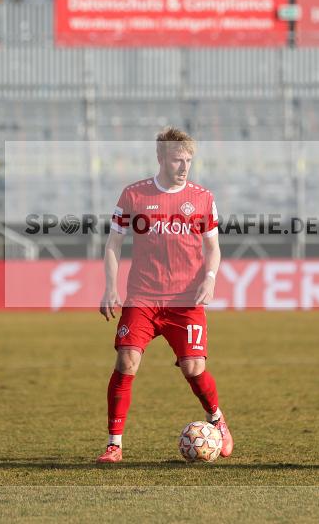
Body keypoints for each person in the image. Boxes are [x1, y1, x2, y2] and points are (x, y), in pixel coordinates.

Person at [97, 127, 233, 463]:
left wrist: (211, 277)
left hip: (185, 300)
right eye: (177, 160)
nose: (184, 166)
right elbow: (113, 243)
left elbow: (213, 249)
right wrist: (110, 287)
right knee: (126, 361)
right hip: (142, 296)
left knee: (192, 366)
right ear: (160, 158)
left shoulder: (203, 198)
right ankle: (115, 444)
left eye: (188, 160)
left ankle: (217, 419)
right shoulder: (134, 195)